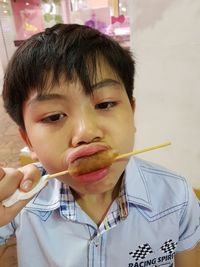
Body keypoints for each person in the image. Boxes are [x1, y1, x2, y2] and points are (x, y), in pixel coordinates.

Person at [0, 23, 199, 267]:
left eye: (104, 104)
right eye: (53, 116)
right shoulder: (17, 202)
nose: (86, 132)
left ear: (132, 112)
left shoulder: (176, 196)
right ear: (29, 141)